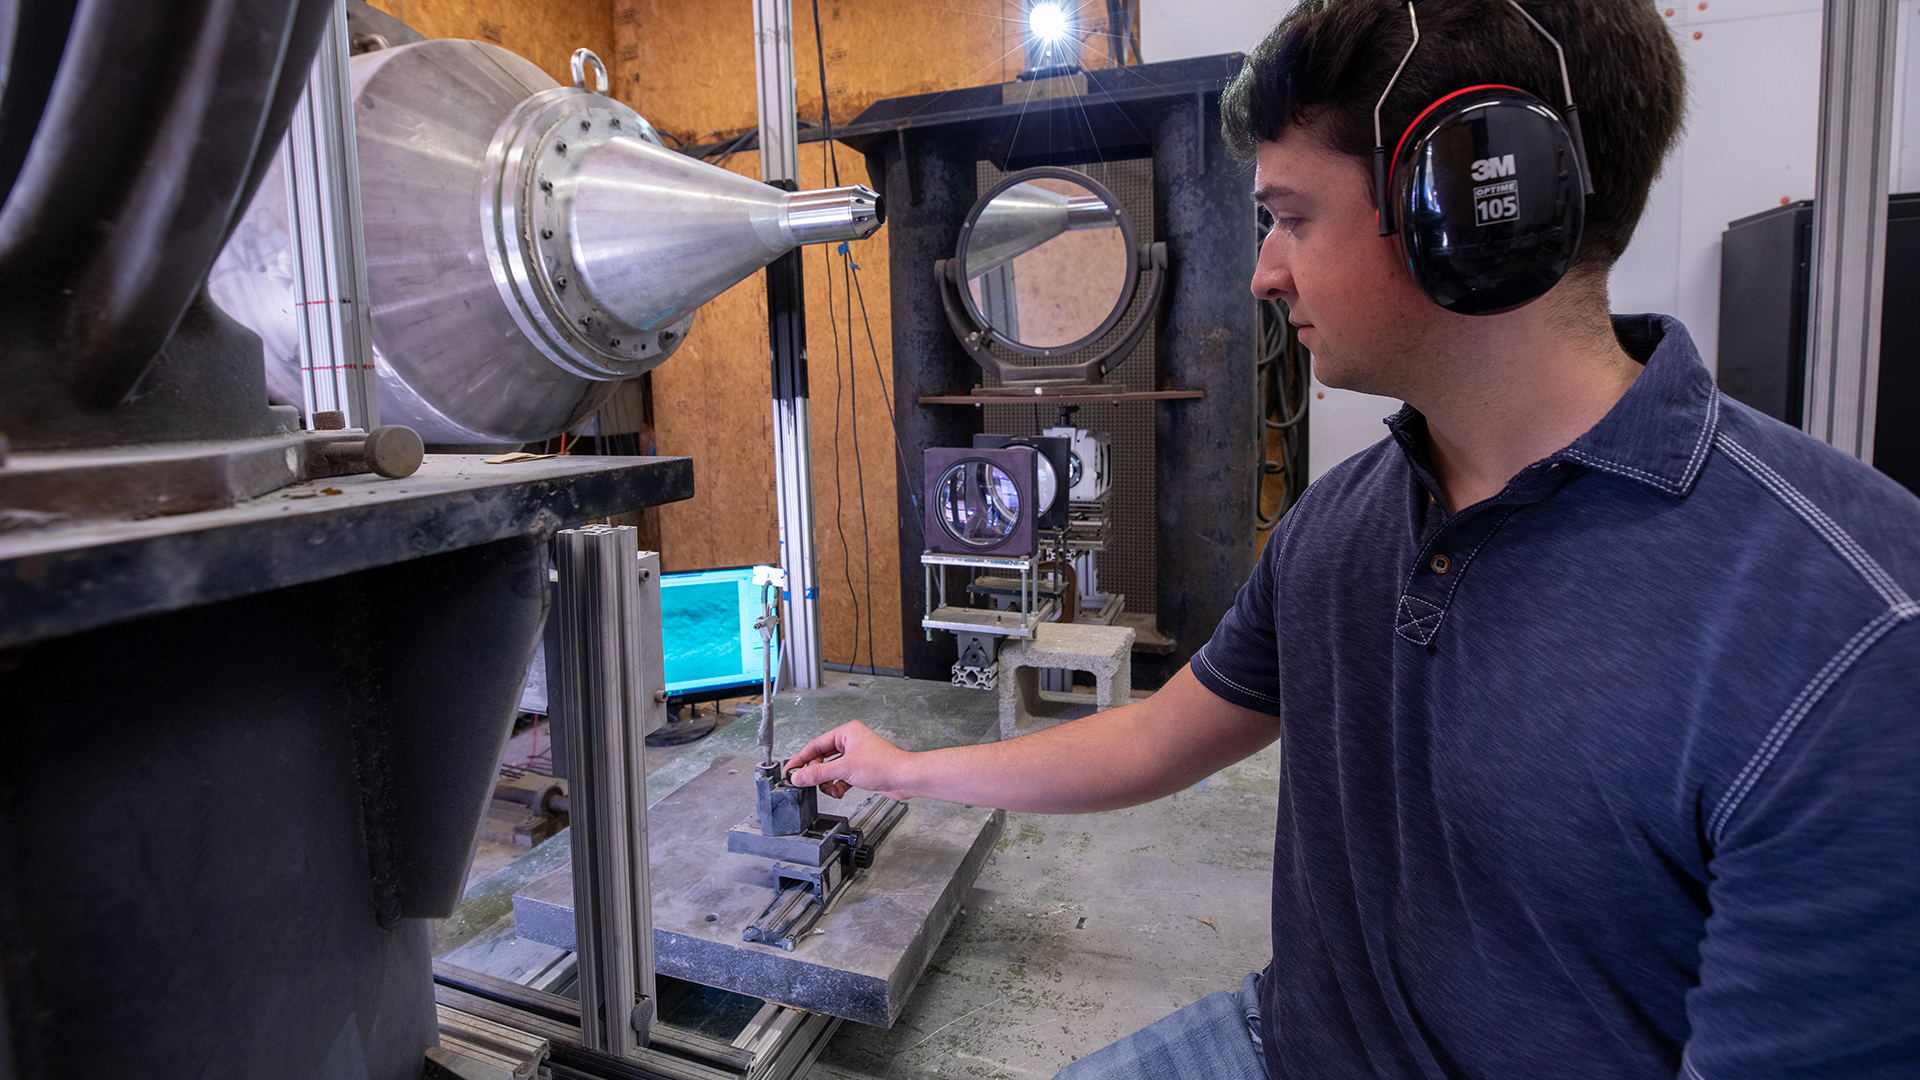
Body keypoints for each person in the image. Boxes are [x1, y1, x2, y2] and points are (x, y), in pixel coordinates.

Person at [787, 0, 1920, 1075]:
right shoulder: (1343, 523)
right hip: (1289, 1041)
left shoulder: (1839, 632)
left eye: (1290, 216)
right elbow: (1153, 743)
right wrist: (907, 771)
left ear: (1475, 204)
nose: (1263, 272)